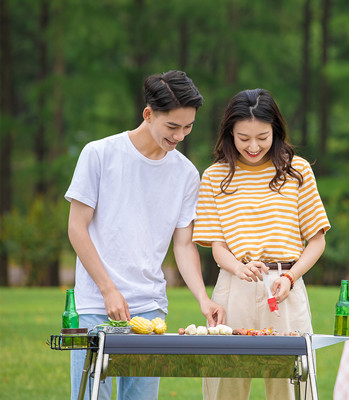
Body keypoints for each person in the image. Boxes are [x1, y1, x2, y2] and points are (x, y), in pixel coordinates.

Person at [65, 70, 225, 400]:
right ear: (148, 114)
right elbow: (77, 229)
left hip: (150, 310)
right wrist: (108, 289)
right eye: (172, 126)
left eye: (188, 126)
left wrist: (203, 298)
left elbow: (183, 245)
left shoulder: (186, 174)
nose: (180, 135)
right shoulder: (99, 154)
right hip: (96, 304)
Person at [193, 88, 330, 400]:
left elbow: (317, 240)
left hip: (285, 289)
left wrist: (290, 277)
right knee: (225, 386)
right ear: (229, 133)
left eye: (262, 137)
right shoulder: (215, 176)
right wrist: (240, 268)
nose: (253, 146)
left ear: (276, 131)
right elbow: (217, 246)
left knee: (293, 387)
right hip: (234, 288)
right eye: (243, 138)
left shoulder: (298, 170)